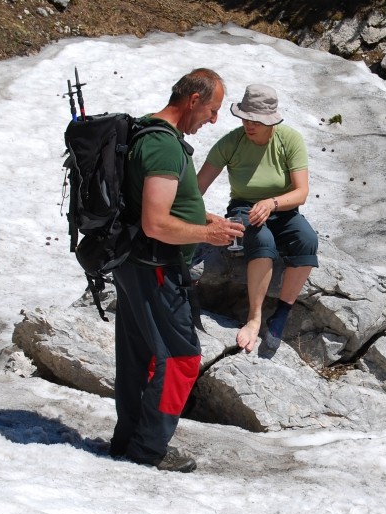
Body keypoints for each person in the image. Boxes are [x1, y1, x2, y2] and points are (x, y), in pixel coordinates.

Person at [108, 68, 244, 472]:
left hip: (134, 265)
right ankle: (148, 449)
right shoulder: (164, 148)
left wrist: (205, 218)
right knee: (182, 359)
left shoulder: (145, 134)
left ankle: (126, 442)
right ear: (193, 100)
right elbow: (156, 223)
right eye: (213, 110)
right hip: (157, 268)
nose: (215, 120)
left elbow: (160, 208)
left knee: (138, 357)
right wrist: (206, 233)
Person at [197, 84, 319, 352]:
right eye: (245, 118)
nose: (249, 125)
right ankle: (255, 318)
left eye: (257, 121)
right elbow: (197, 188)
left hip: (283, 208)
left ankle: (282, 314)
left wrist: (272, 202)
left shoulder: (289, 140)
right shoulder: (231, 142)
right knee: (262, 241)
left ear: (270, 120)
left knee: (307, 240)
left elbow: (301, 192)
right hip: (244, 208)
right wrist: (205, 219)